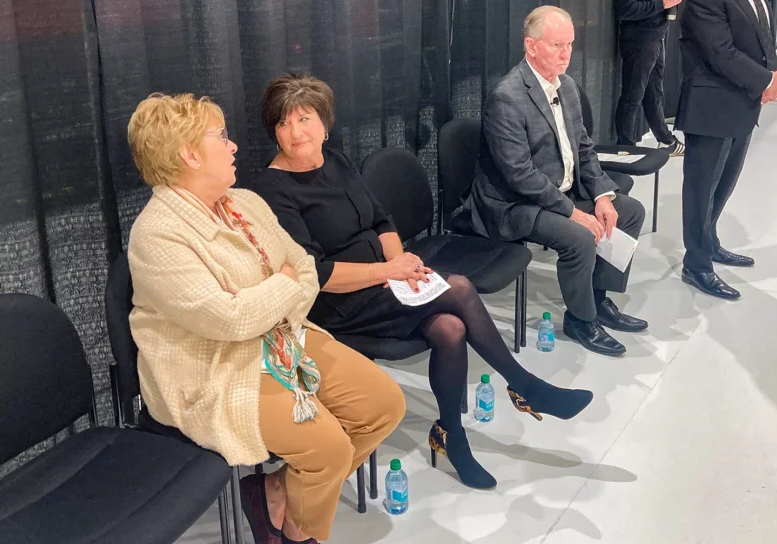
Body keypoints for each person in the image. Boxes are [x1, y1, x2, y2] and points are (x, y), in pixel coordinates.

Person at [253, 74, 593, 492]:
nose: (295, 133)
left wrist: (400, 263)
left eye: (304, 119)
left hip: (384, 284)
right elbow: (315, 274)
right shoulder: (271, 188)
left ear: (325, 124)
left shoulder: (336, 161)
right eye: (283, 124)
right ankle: (525, 386)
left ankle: (451, 434)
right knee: (461, 288)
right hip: (337, 306)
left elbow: (381, 220)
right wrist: (388, 273)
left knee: (450, 329)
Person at [126, 93, 406, 544]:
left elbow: (305, 270)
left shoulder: (246, 202)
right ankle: (299, 526)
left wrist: (269, 292)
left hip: (280, 337)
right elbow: (230, 320)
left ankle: (273, 491)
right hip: (214, 369)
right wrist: (279, 285)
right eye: (221, 137)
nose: (233, 147)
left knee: (385, 405)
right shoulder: (157, 236)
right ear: (190, 155)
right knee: (330, 450)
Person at [464, 5, 649, 359]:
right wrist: (572, 212)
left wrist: (602, 196)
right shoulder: (507, 97)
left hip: (558, 191)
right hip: (513, 205)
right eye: (556, 46)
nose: (565, 54)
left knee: (629, 211)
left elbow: (584, 149)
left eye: (570, 45)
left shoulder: (568, 87)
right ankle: (580, 320)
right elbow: (519, 175)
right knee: (578, 236)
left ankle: (597, 298)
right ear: (531, 46)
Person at [676, 0, 777, 300]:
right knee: (702, 187)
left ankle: (710, 240)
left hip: (740, 103)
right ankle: (696, 264)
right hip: (713, 106)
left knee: (724, 183)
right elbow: (720, 53)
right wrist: (764, 81)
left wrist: (772, 73)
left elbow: (761, 36)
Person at [614, 0, 685, 156]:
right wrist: (661, 4)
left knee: (654, 92)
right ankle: (625, 146)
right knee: (633, 94)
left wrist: (665, 1)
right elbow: (625, 9)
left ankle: (664, 140)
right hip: (639, 41)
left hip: (656, 37)